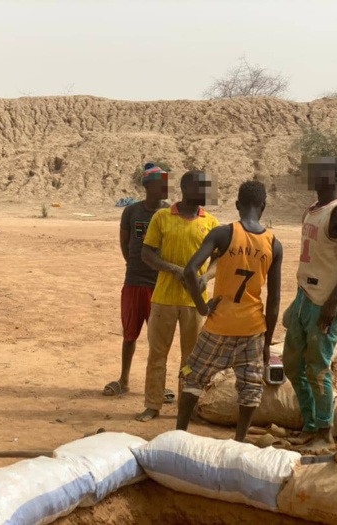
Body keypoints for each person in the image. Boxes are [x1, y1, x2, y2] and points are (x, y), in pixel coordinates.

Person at [176, 180, 283, 441]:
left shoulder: (223, 234)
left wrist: (202, 306)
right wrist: (267, 343)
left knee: (193, 376)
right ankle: (239, 441)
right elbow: (274, 299)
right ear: (264, 206)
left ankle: (179, 435)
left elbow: (190, 270)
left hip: (219, 324)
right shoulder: (273, 243)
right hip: (252, 327)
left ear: (237, 204)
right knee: (250, 386)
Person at [283, 157, 337, 452]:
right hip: (304, 296)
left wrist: (332, 302)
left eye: (323, 170)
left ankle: (325, 432)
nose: (315, 174)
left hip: (323, 302)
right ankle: (310, 425)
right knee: (292, 364)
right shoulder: (312, 210)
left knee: (318, 368)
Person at [136, 170, 219, 422]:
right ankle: (153, 404)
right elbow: (147, 254)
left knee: (192, 358)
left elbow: (218, 260)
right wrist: (174, 270)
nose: (207, 192)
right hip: (163, 298)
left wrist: (206, 277)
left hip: (195, 302)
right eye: (202, 187)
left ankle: (188, 407)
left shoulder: (211, 223)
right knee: (157, 354)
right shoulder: (162, 217)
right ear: (185, 188)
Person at [103, 164, 169, 396]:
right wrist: (133, 265)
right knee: (130, 334)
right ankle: (124, 380)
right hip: (134, 281)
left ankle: (158, 384)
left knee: (157, 339)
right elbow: (125, 244)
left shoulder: (169, 212)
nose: (165, 187)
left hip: (160, 284)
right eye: (161, 182)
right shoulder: (131, 212)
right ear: (148, 186)